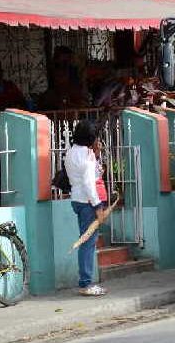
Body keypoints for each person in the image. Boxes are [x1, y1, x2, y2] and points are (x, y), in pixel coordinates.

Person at [66, 120, 109, 297]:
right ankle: (86, 283)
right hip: (87, 202)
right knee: (88, 243)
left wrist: (96, 154)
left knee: (86, 241)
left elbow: (92, 174)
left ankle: (86, 281)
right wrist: (98, 206)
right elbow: (89, 183)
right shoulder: (86, 155)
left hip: (77, 199)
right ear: (91, 138)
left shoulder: (70, 152)